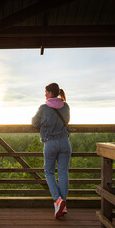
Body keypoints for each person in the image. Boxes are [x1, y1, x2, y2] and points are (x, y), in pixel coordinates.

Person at [32, 83, 71, 219]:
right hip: (65, 143)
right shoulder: (66, 106)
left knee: (49, 172)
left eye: (46, 92)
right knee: (63, 173)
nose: (45, 94)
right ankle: (62, 205)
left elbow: (34, 123)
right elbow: (67, 120)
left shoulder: (43, 108)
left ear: (50, 93)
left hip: (50, 143)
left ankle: (58, 200)